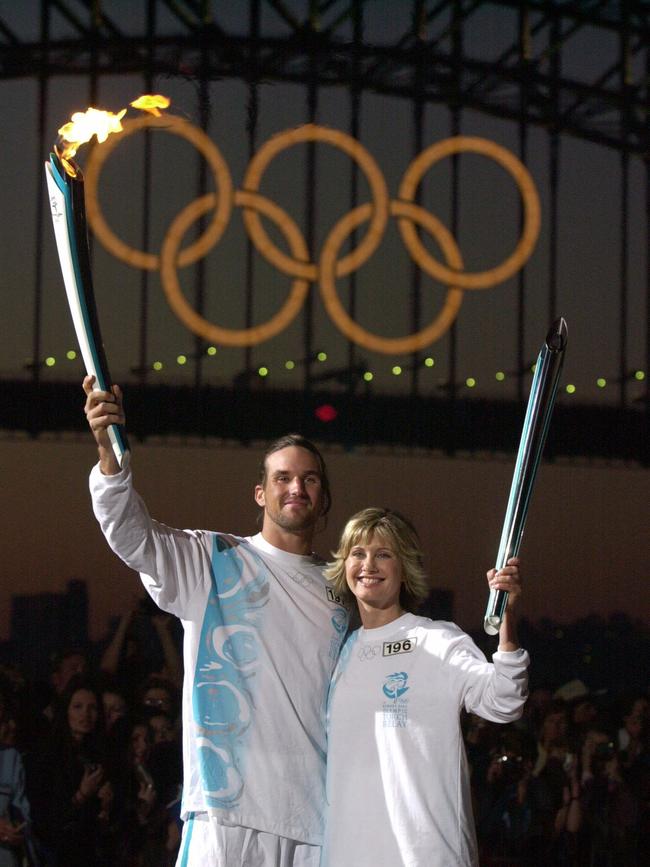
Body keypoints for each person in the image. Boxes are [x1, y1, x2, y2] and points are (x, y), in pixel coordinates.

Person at [82, 376, 348, 867]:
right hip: (228, 813)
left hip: (317, 818)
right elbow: (132, 535)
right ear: (260, 494)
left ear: (324, 496)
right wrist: (108, 454)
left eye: (309, 479)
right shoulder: (215, 560)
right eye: (283, 478)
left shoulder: (344, 591)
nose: (296, 487)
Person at [321, 507, 529, 867]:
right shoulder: (339, 651)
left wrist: (507, 617)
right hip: (347, 853)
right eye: (358, 553)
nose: (368, 564)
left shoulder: (437, 640)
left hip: (428, 854)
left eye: (383, 554)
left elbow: (505, 700)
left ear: (404, 569)